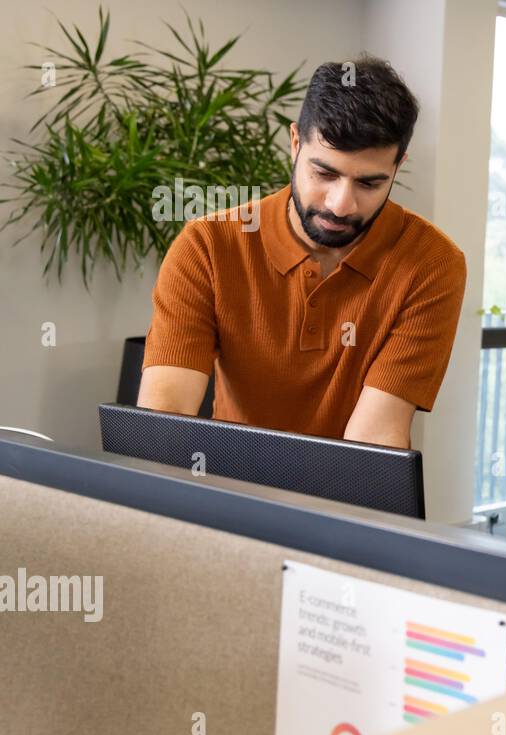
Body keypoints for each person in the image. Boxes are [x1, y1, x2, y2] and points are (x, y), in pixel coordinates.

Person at [138, 56, 466, 448]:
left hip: (348, 501)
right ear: (295, 143)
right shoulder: (208, 245)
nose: (341, 204)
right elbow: (165, 418)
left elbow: (376, 439)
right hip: (227, 494)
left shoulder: (431, 263)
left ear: (398, 166)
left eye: (369, 183)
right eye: (325, 174)